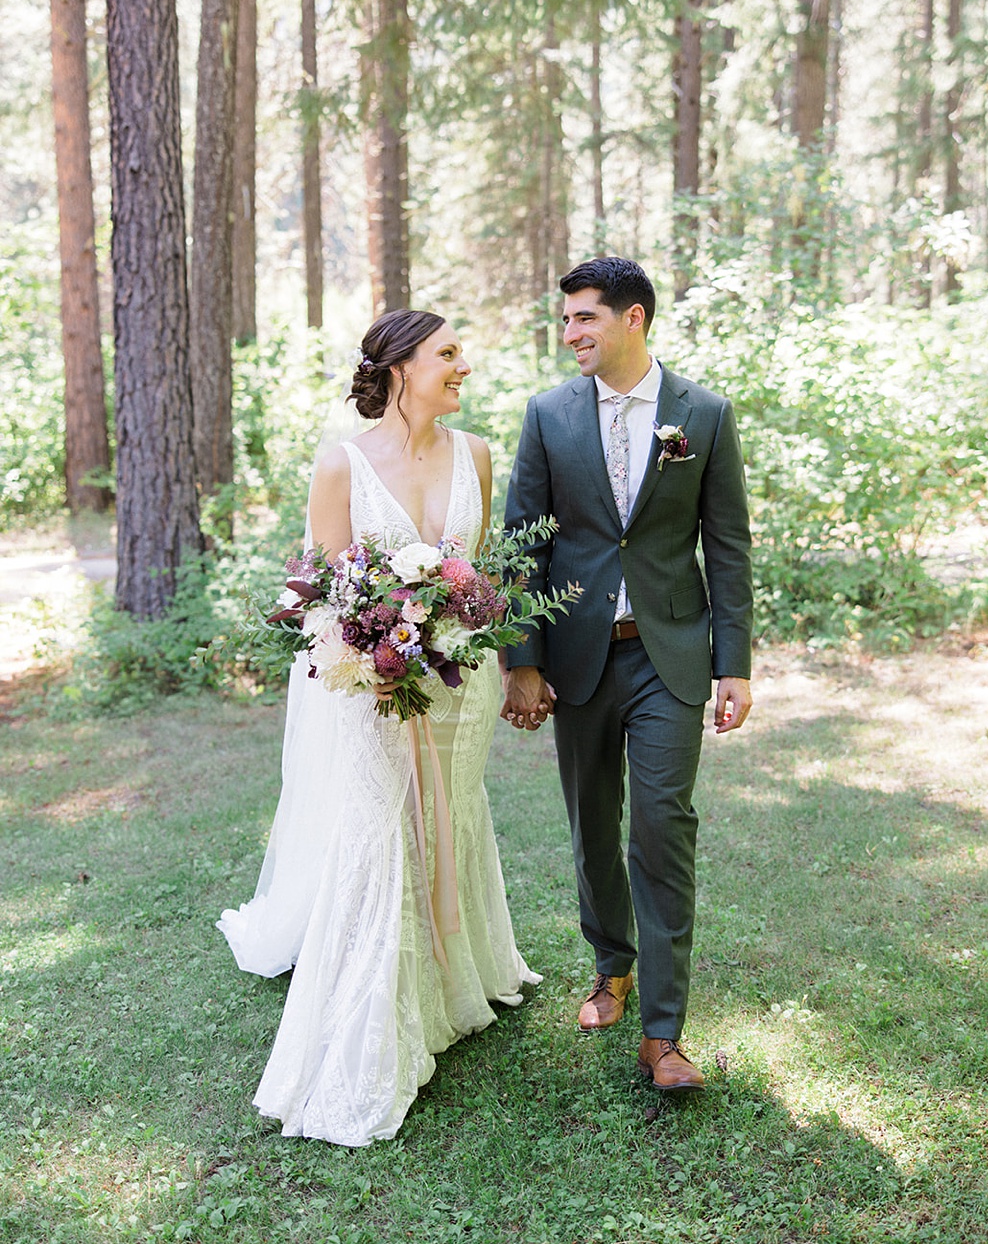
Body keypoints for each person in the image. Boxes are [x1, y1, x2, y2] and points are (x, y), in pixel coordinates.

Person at [218, 309, 539, 1146]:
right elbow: (319, 595)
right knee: (382, 831)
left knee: (450, 822)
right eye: (447, 352)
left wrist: (473, 621)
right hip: (372, 689)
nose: (462, 364)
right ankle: (376, 1007)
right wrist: (372, 645)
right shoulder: (342, 466)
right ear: (399, 366)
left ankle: (451, 973)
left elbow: (482, 573)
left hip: (461, 687)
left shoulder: (475, 454)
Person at [501, 257, 752, 1093]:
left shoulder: (703, 416)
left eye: (584, 318)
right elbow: (523, 547)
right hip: (578, 658)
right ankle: (611, 961)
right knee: (591, 823)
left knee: (661, 826)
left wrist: (736, 666)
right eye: (567, 319)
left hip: (668, 655)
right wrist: (523, 663)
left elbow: (727, 546)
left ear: (632, 319)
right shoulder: (547, 415)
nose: (570, 333)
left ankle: (665, 1034)